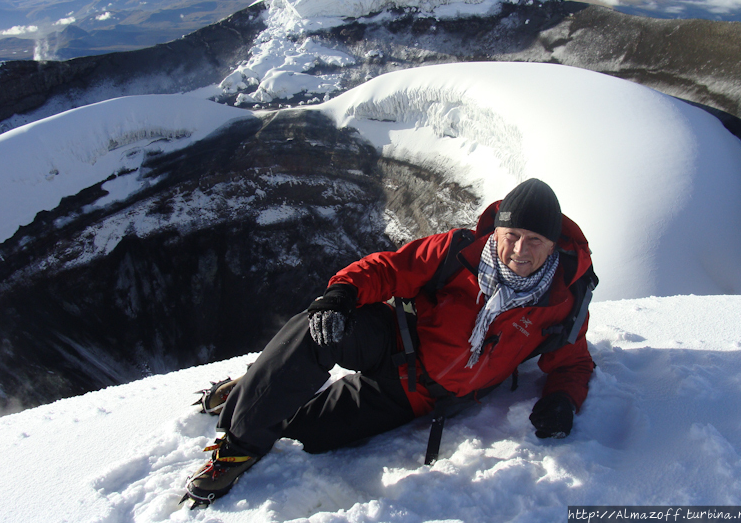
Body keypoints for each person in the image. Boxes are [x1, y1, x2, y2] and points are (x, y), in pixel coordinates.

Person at [182, 178, 596, 508]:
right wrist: (341, 293)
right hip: (394, 338)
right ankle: (238, 448)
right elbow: (390, 269)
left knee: (306, 434)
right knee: (317, 328)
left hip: (413, 396)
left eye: (535, 240)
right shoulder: (459, 252)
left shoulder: (561, 300)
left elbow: (572, 364)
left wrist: (562, 400)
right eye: (512, 235)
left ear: (553, 244)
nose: (519, 250)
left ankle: (259, 383)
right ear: (498, 230)